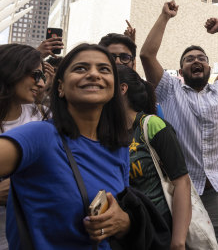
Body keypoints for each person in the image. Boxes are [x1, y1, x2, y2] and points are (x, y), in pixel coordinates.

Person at [0, 44, 150, 249]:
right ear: (60, 87)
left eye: (104, 69)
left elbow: (120, 207)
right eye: (81, 68)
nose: (93, 74)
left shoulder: (118, 146)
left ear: (115, 87)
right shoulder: (40, 135)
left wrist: (124, 222)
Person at [140, 1, 218, 250]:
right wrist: (164, 17)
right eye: (190, 59)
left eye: (202, 58)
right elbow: (147, 55)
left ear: (207, 66)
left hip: (217, 186)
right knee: (187, 243)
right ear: (181, 69)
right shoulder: (169, 89)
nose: (197, 61)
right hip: (183, 187)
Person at [117, 65, 192, 250]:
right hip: (128, 234)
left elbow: (182, 182)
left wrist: (178, 242)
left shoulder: (152, 125)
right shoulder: (107, 133)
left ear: (122, 89)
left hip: (159, 231)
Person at [0, 44, 47, 250]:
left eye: (43, 76)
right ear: (12, 70)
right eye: (35, 75)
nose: (42, 83)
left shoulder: (43, 117)